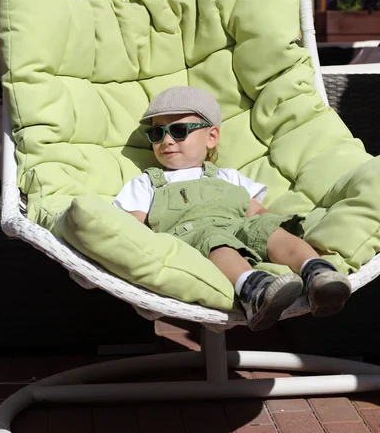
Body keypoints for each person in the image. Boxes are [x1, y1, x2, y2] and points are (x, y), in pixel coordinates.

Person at [114, 86, 352, 331]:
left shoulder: (227, 177)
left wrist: (275, 225)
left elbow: (255, 210)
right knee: (215, 241)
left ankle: (318, 274)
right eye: (156, 133)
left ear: (211, 137)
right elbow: (134, 228)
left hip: (239, 226)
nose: (166, 140)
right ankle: (255, 291)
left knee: (267, 229)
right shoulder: (147, 183)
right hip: (195, 237)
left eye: (178, 130)